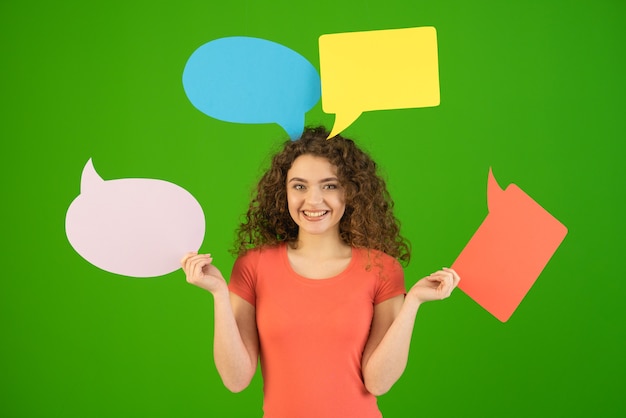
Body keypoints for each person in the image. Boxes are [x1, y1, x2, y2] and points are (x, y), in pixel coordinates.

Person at [181, 126, 460, 418]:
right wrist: (218, 295)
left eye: (329, 185)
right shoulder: (253, 266)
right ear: (283, 192)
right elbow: (235, 380)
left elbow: (378, 383)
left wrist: (413, 302)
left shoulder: (382, 269)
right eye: (299, 186)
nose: (313, 201)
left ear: (350, 191)